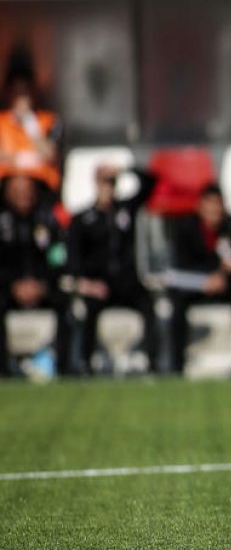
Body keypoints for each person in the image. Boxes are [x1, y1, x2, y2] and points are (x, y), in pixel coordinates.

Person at [66, 164, 161, 374]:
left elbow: (151, 182)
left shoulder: (126, 210)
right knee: (89, 309)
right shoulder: (82, 219)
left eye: (112, 182)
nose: (108, 188)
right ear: (95, 184)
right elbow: (73, 259)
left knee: (148, 304)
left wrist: (125, 169)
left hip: (126, 283)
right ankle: (84, 363)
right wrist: (85, 284)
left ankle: (153, 362)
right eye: (104, 182)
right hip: (97, 284)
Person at [166, 184, 231, 375]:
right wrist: (205, 279)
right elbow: (179, 267)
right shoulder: (185, 228)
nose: (214, 210)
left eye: (218, 204)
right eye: (209, 204)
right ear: (200, 207)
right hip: (196, 284)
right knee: (177, 301)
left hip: (226, 284)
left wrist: (227, 271)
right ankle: (176, 365)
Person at [0, 174, 71, 377]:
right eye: (18, 192)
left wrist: (41, 284)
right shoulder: (4, 221)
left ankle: (64, 367)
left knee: (65, 305)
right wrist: (13, 285)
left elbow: (58, 257)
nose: (24, 196)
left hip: (42, 287)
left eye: (27, 191)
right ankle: (3, 370)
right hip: (10, 288)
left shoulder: (47, 219)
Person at [0, 55, 63, 194]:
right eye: (17, 92)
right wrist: (23, 159)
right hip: (6, 190)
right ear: (8, 94)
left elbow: (50, 154)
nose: (21, 99)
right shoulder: (2, 122)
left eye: (25, 92)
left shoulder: (48, 120)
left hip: (41, 189)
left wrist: (30, 123)